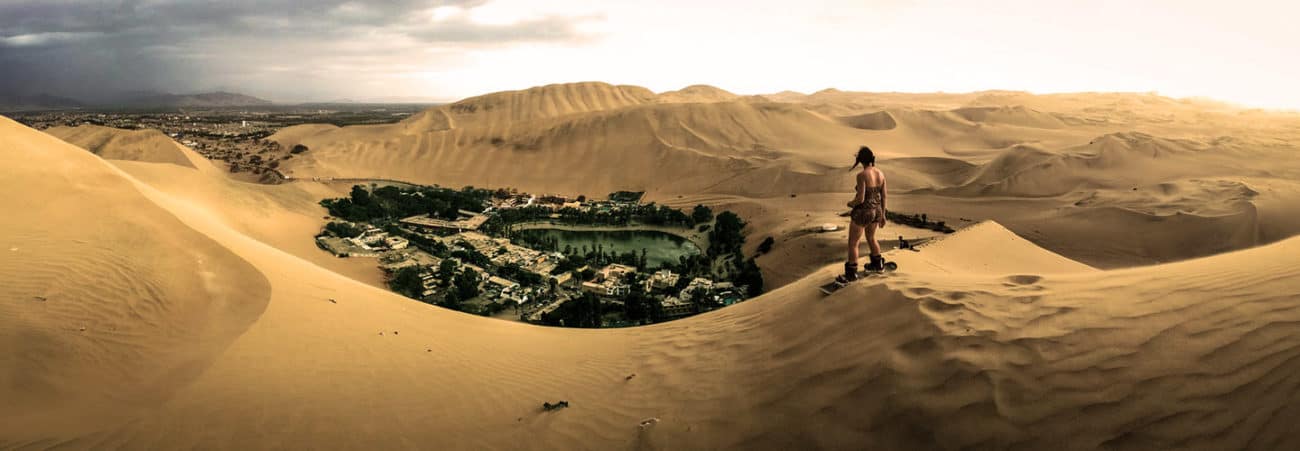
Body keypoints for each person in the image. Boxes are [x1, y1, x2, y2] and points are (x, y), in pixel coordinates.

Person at [838, 146, 887, 284]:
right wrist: (883, 215)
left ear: (861, 160)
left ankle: (851, 274)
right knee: (871, 238)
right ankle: (878, 265)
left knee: (853, 243)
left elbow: (860, 199)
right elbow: (884, 196)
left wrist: (850, 203)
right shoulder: (881, 174)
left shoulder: (862, 175)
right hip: (876, 211)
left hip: (863, 212)